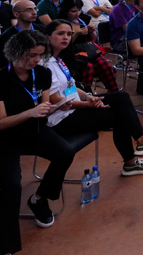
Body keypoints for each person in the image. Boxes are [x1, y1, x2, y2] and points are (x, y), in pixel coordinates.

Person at [43, 20, 143, 176]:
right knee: (119, 115)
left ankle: (141, 143)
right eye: (60, 34)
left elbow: (70, 86)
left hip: (74, 107)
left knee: (121, 97)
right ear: (47, 37)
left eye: (69, 34)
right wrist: (86, 105)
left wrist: (88, 96)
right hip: (61, 119)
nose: (66, 37)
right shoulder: (45, 64)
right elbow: (55, 99)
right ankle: (134, 156)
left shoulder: (59, 59)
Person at [1, 31, 76, 251]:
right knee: (11, 185)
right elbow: (1, 123)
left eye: (40, 55)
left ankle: (39, 198)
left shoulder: (41, 73)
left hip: (34, 131)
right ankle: (8, 244)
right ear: (16, 53)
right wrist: (30, 113)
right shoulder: (1, 80)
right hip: (6, 139)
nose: (36, 60)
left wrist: (57, 106)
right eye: (32, 55)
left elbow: (43, 108)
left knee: (65, 152)